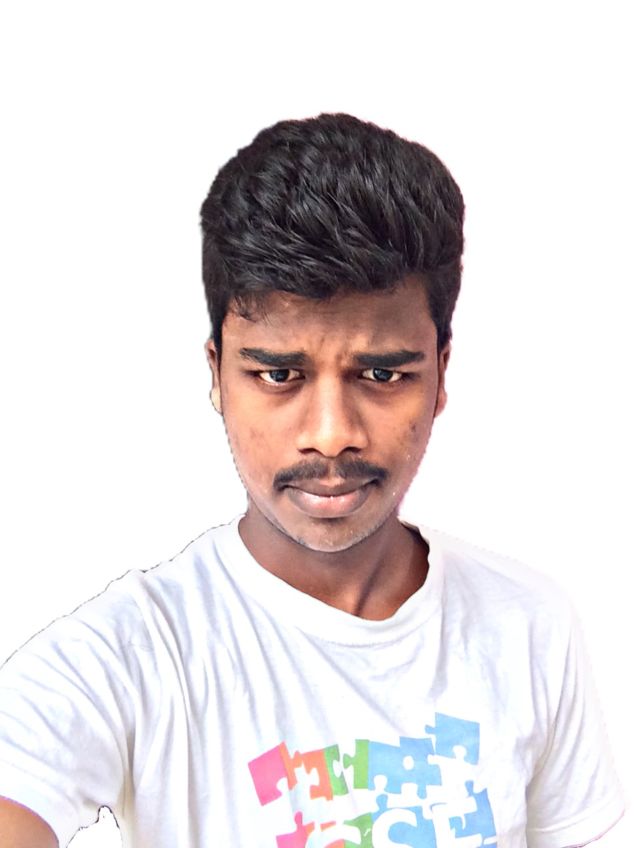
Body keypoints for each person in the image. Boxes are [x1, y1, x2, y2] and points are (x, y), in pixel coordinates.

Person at [0, 113, 624, 848]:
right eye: (278, 375)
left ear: (441, 374)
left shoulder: (528, 626)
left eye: (382, 375)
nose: (331, 434)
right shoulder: (134, 652)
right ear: (217, 375)